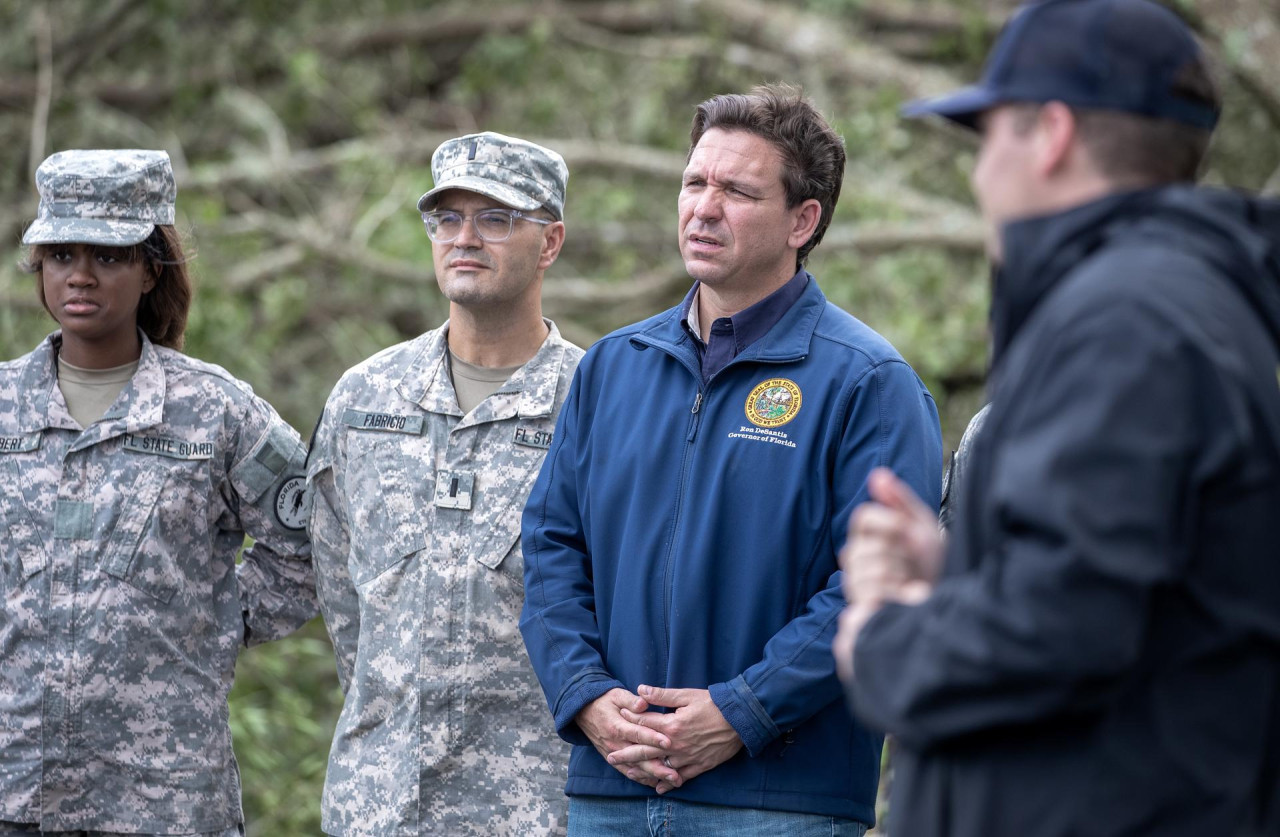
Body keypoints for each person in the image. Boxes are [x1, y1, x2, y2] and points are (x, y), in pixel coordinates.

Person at [835, 1, 1280, 834]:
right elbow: (1132, 591)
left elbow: (1060, 631)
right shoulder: (1174, 303)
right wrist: (962, 570)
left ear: (1051, 134)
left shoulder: (1127, 322)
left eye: (989, 135)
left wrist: (884, 641)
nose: (978, 175)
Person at [520, 85, 942, 835]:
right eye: (694, 182)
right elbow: (552, 549)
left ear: (802, 220)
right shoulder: (614, 366)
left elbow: (874, 586)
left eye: (737, 191)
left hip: (779, 803)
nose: (703, 207)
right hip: (608, 794)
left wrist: (740, 711)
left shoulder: (867, 383)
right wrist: (585, 694)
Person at [0, 149, 316, 836]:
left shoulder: (214, 410)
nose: (80, 275)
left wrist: (214, 615)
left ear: (149, 268)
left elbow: (317, 541)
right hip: (15, 784)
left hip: (162, 797)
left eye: (108, 256)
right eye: (61, 255)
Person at [306, 131, 582, 835]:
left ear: (549, 242)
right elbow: (344, 603)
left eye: (495, 219)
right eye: (446, 218)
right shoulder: (365, 400)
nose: (465, 238)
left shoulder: (599, 402)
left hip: (537, 812)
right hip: (378, 809)